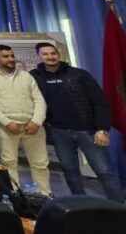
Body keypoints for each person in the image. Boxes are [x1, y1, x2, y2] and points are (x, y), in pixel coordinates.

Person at [30, 42, 120, 200]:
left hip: (87, 130)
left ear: (58, 54)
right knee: (70, 171)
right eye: (45, 54)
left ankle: (118, 205)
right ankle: (80, 204)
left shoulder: (79, 75)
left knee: (104, 171)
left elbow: (100, 102)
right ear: (39, 56)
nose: (50, 57)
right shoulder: (34, 77)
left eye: (53, 53)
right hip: (58, 131)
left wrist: (102, 129)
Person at [0, 44, 51, 196]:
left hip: (32, 126)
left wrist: (36, 121)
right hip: (5, 127)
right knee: (9, 163)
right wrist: (7, 122)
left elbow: (39, 99)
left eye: (12, 56)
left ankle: (45, 195)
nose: (11, 59)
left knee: (40, 163)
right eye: (6, 56)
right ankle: (16, 197)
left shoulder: (25, 76)